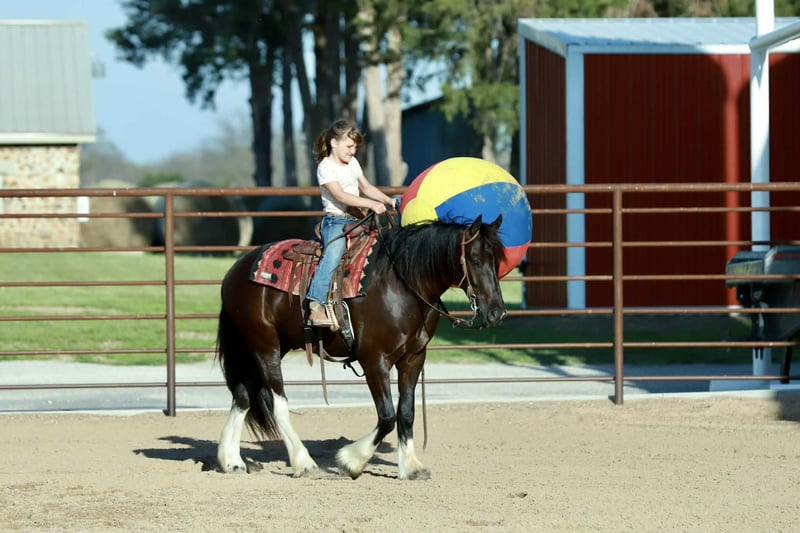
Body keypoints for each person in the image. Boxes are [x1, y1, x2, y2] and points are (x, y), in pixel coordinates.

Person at [305, 119, 395, 328]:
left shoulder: (352, 163)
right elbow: (340, 196)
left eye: (355, 147)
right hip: (336, 220)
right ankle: (315, 304)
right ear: (334, 142)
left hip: (357, 219)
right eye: (349, 146)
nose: (353, 151)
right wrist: (371, 204)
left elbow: (367, 187)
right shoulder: (326, 167)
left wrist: (388, 200)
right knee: (333, 254)